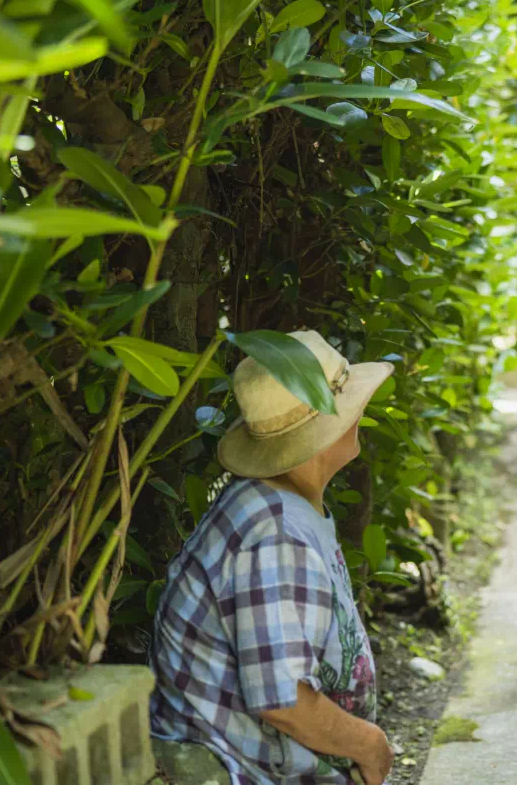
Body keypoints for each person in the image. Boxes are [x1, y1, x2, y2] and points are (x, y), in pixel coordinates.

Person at [149, 330, 396, 785]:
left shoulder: (282, 504)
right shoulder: (277, 535)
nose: (361, 410)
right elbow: (283, 701)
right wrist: (369, 745)